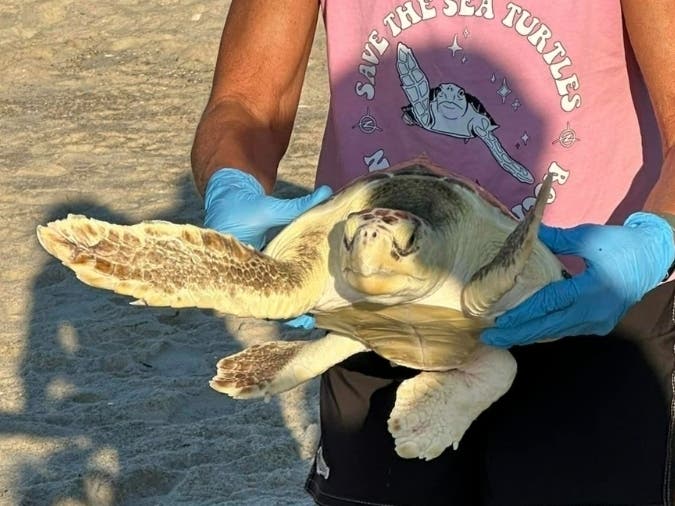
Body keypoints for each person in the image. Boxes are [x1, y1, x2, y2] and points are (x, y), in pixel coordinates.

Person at [191, 1, 675, 504]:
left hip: (589, 299)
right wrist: (232, 181)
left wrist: (658, 235)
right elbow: (247, 103)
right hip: (376, 295)